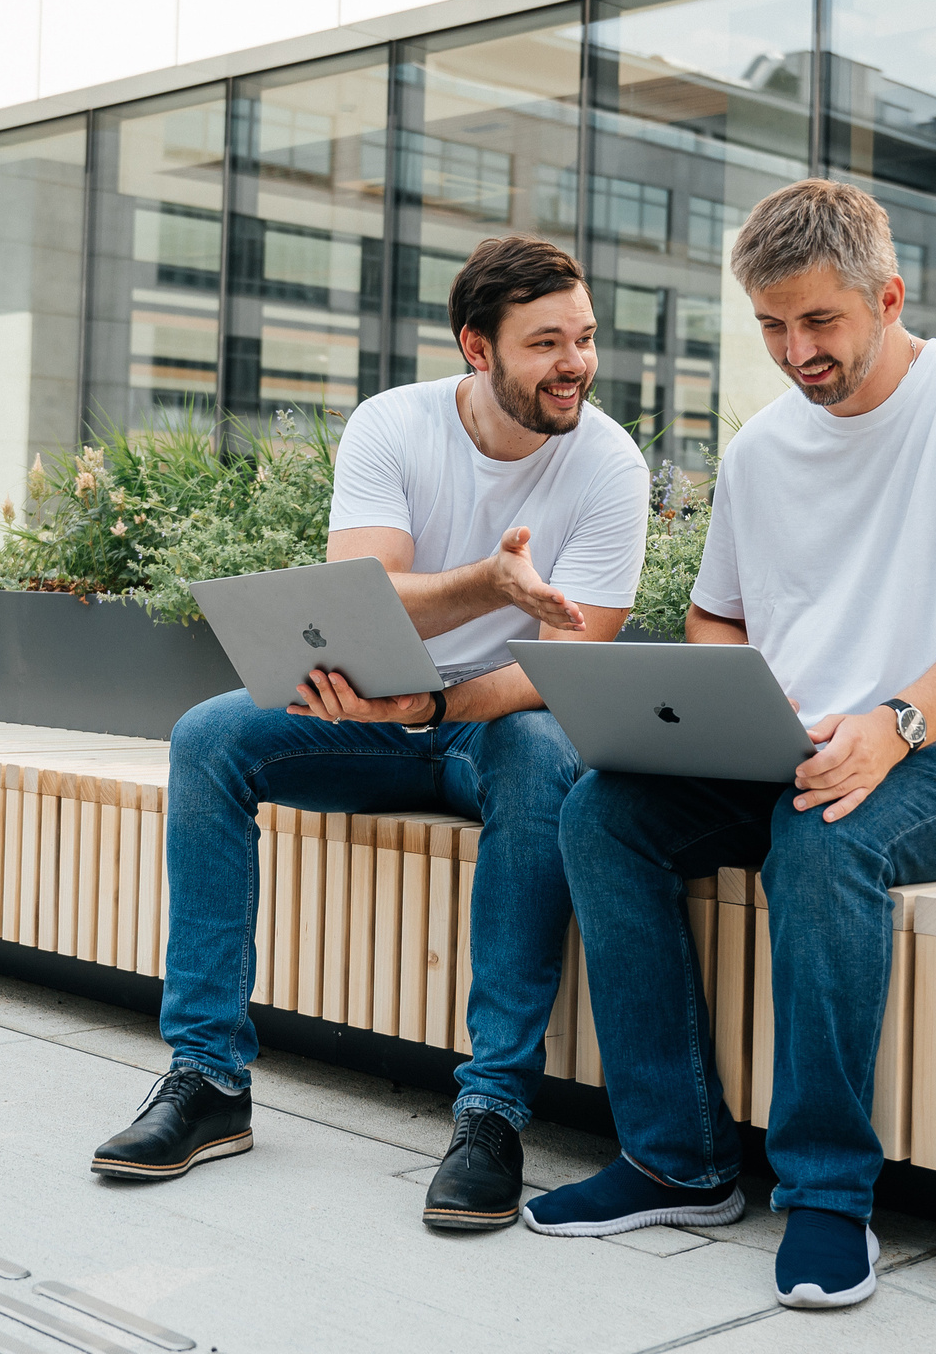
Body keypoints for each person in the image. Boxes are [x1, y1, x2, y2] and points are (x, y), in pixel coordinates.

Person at [521, 179, 936, 1308]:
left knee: (822, 834)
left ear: (888, 296)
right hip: (799, 746)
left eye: (818, 321)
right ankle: (676, 1159)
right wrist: (738, 705)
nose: (794, 350)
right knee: (601, 812)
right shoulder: (763, 446)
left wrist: (891, 723)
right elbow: (718, 615)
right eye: (771, 325)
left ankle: (825, 1195)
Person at [93, 234, 650, 1232]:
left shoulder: (607, 462)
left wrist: (443, 705)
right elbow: (366, 599)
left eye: (585, 339)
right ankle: (207, 1079)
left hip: (497, 724)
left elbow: (578, 661)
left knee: (543, 758)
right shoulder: (393, 426)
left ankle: (491, 1112)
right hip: (375, 715)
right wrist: (480, 587)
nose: (575, 365)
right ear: (477, 350)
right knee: (207, 739)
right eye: (546, 344)